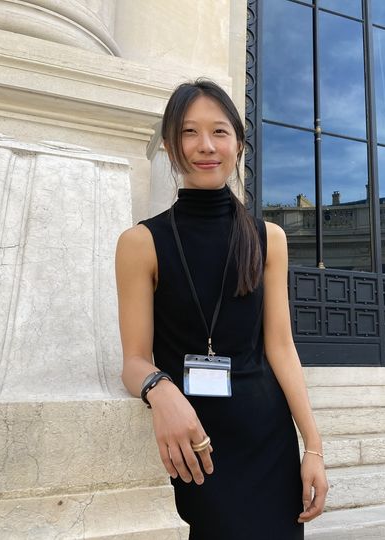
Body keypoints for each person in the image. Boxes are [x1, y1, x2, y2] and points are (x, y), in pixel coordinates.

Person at [115, 78, 328, 539]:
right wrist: (160, 389)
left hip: (268, 440)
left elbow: (281, 346)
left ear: (239, 144)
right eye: (189, 133)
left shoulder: (268, 238)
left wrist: (312, 446)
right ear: (171, 148)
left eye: (219, 132)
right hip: (195, 444)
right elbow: (133, 360)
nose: (205, 146)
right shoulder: (140, 243)